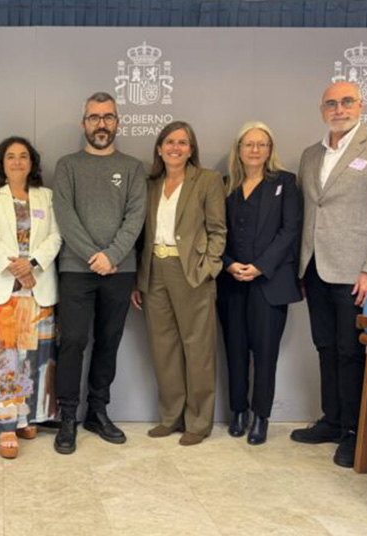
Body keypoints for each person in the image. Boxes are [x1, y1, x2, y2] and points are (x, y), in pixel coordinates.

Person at [292, 81, 367, 468]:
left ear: (360, 105)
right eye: (331, 103)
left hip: (357, 274)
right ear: (321, 109)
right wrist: (302, 267)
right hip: (316, 269)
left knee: (352, 352)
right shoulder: (311, 155)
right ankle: (332, 420)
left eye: (346, 102)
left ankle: (354, 432)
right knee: (326, 347)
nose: (338, 109)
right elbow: (310, 212)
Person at [52, 92, 147, 455]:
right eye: (94, 117)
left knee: (109, 340)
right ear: (84, 123)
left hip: (120, 270)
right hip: (76, 269)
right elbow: (65, 215)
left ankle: (97, 411)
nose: (101, 124)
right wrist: (95, 256)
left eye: (108, 117)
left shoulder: (133, 168)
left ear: (117, 122)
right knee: (73, 340)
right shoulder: (67, 165)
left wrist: (112, 256)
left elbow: (135, 217)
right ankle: (67, 417)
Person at [0, 137, 62, 459]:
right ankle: (6, 425)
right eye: (11, 156)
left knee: (31, 357)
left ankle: (24, 418)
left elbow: (55, 236)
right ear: (1, 163)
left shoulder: (46, 196)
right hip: (1, 288)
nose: (17, 161)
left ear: (32, 162)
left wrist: (31, 264)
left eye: (23, 156)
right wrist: (17, 268)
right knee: (2, 358)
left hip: (36, 288)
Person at [132, 121, 226, 446]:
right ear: (159, 149)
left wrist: (208, 268)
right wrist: (138, 279)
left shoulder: (208, 180)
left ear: (191, 149)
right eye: (169, 142)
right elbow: (141, 236)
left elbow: (218, 230)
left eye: (182, 142)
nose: (175, 147)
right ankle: (171, 417)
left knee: (197, 348)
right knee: (164, 348)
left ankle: (198, 422)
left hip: (190, 271)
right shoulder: (150, 184)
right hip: (154, 270)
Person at [216, 121, 302, 445]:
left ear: (270, 150)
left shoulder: (285, 182)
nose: (255, 150)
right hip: (232, 282)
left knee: (265, 354)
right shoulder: (225, 185)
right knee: (235, 350)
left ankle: (261, 417)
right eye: (248, 144)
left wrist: (260, 267)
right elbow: (215, 231)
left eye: (261, 144)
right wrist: (228, 264)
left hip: (270, 282)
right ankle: (238, 411)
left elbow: (290, 231)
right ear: (238, 150)